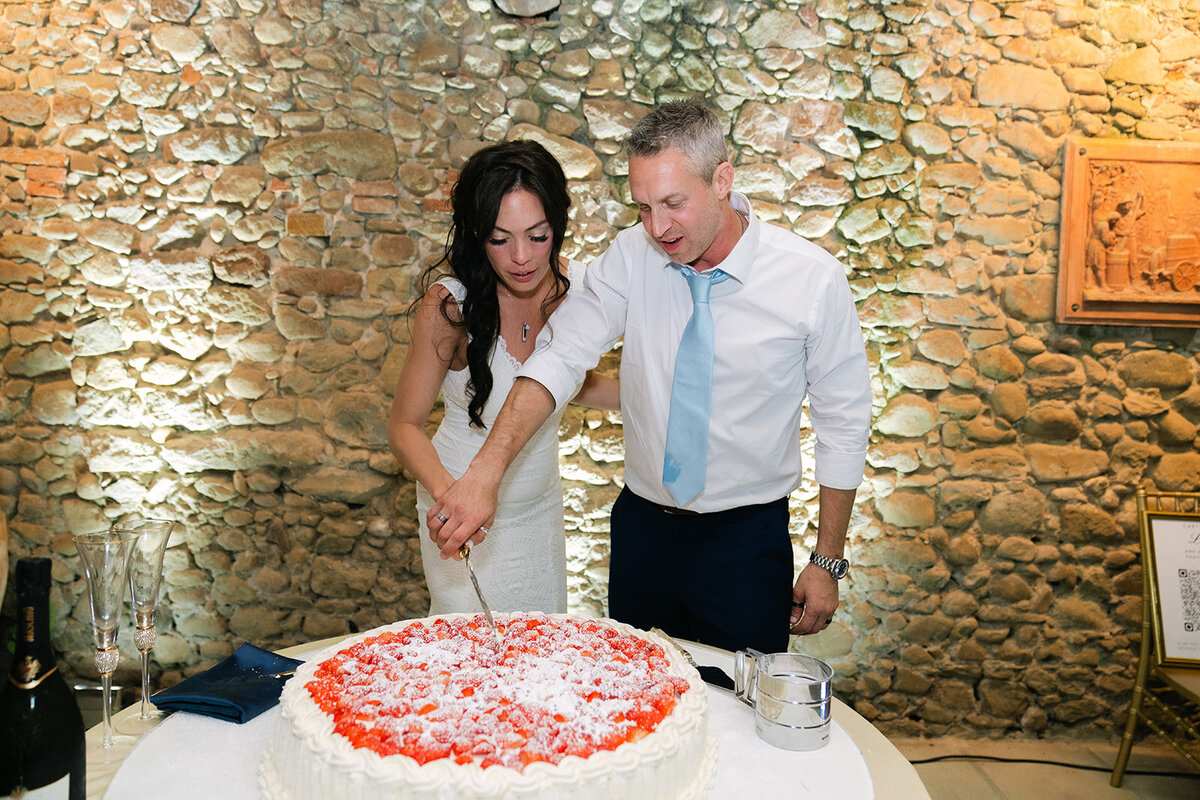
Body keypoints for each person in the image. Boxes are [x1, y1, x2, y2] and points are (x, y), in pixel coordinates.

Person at [427, 100, 872, 654]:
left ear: (722, 181)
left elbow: (844, 424)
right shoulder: (632, 256)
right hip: (642, 531)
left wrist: (826, 559)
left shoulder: (812, 280)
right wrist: (484, 473)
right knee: (635, 698)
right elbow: (561, 355)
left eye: (673, 203)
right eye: (642, 207)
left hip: (745, 541)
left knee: (740, 709)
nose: (657, 227)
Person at [388, 139, 618, 616]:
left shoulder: (581, 294)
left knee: (541, 651)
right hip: (457, 500)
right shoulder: (449, 306)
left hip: (539, 510)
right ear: (477, 233)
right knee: (468, 655)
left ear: (558, 225)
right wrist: (453, 498)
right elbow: (404, 425)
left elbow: (569, 383)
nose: (521, 257)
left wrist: (655, 397)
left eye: (538, 236)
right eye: (500, 238)